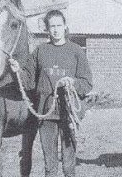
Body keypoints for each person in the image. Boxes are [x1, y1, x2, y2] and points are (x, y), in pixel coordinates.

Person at [9, 9, 93, 177]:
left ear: (65, 27)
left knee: (69, 165)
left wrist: (72, 82)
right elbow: (29, 81)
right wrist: (17, 71)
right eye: (51, 26)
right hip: (45, 113)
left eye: (58, 25)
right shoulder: (40, 51)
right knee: (50, 165)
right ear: (47, 28)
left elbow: (87, 83)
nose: (55, 29)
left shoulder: (76, 51)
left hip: (69, 114)